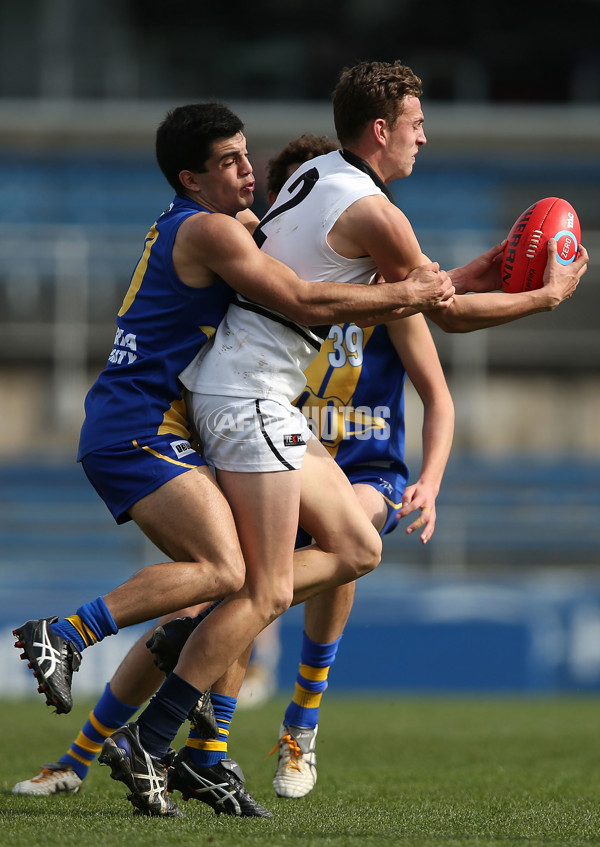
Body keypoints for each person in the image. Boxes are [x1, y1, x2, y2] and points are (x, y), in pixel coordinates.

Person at [97, 59, 587, 818]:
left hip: (254, 390)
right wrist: (544, 298)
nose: (426, 137)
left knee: (358, 547)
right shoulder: (378, 212)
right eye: (417, 125)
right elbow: (444, 315)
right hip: (248, 392)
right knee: (264, 587)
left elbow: (414, 287)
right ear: (382, 130)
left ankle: (180, 718)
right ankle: (159, 740)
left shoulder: (323, 172)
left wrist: (487, 266)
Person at [13, 104, 455, 816]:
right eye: (229, 161)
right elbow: (306, 297)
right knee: (234, 579)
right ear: (191, 178)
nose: (248, 173)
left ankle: (189, 752)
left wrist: (476, 274)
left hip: (169, 419)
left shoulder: (230, 228)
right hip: (146, 422)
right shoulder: (214, 230)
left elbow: (414, 303)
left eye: (249, 157)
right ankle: (70, 638)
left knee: (243, 587)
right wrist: (407, 290)